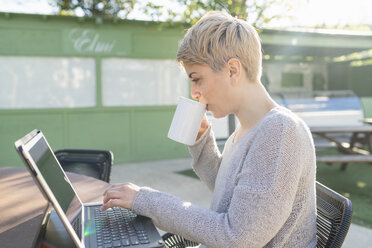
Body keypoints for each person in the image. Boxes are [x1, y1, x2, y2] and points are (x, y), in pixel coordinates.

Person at [101, 11, 317, 248]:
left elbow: (237, 236)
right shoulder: (248, 130)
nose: (194, 93)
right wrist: (202, 141)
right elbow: (227, 193)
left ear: (233, 70)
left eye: (196, 79)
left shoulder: (280, 132)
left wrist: (145, 200)